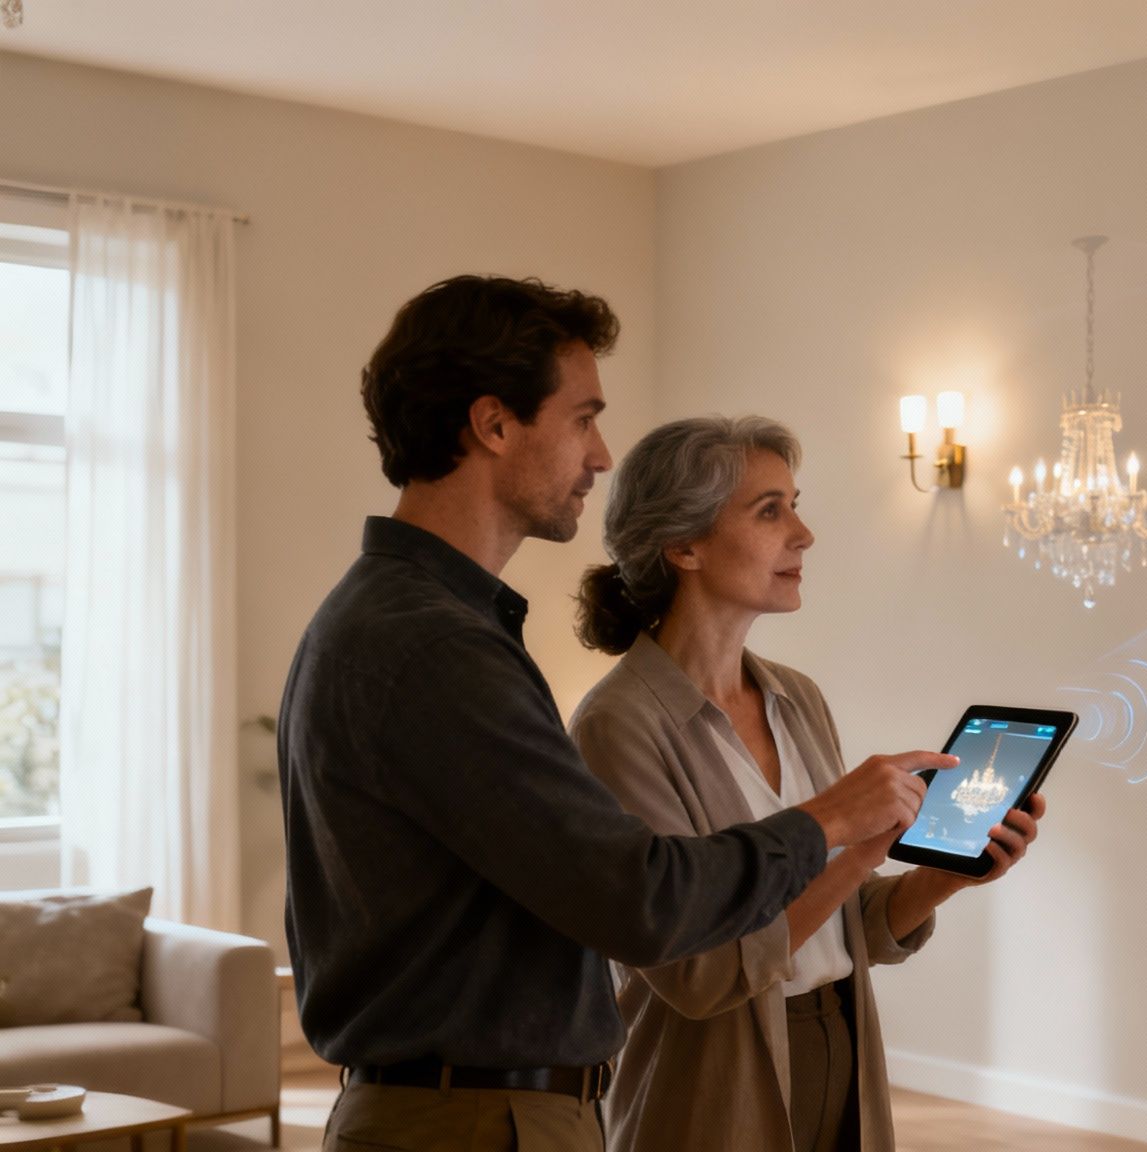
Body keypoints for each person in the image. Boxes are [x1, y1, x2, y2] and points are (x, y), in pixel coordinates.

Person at [278, 277, 931, 1152]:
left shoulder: (411, 622)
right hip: (478, 1123)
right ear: (494, 424)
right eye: (583, 418)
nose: (600, 455)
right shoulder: (433, 645)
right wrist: (831, 821)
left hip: (488, 1112)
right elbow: (641, 903)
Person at [570, 416, 1046, 1152]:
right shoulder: (618, 725)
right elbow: (700, 974)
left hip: (840, 1044)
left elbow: (849, 922)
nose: (804, 533)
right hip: (706, 1084)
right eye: (770, 510)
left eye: (794, 503)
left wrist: (946, 876)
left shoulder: (797, 698)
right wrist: (843, 832)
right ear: (683, 545)